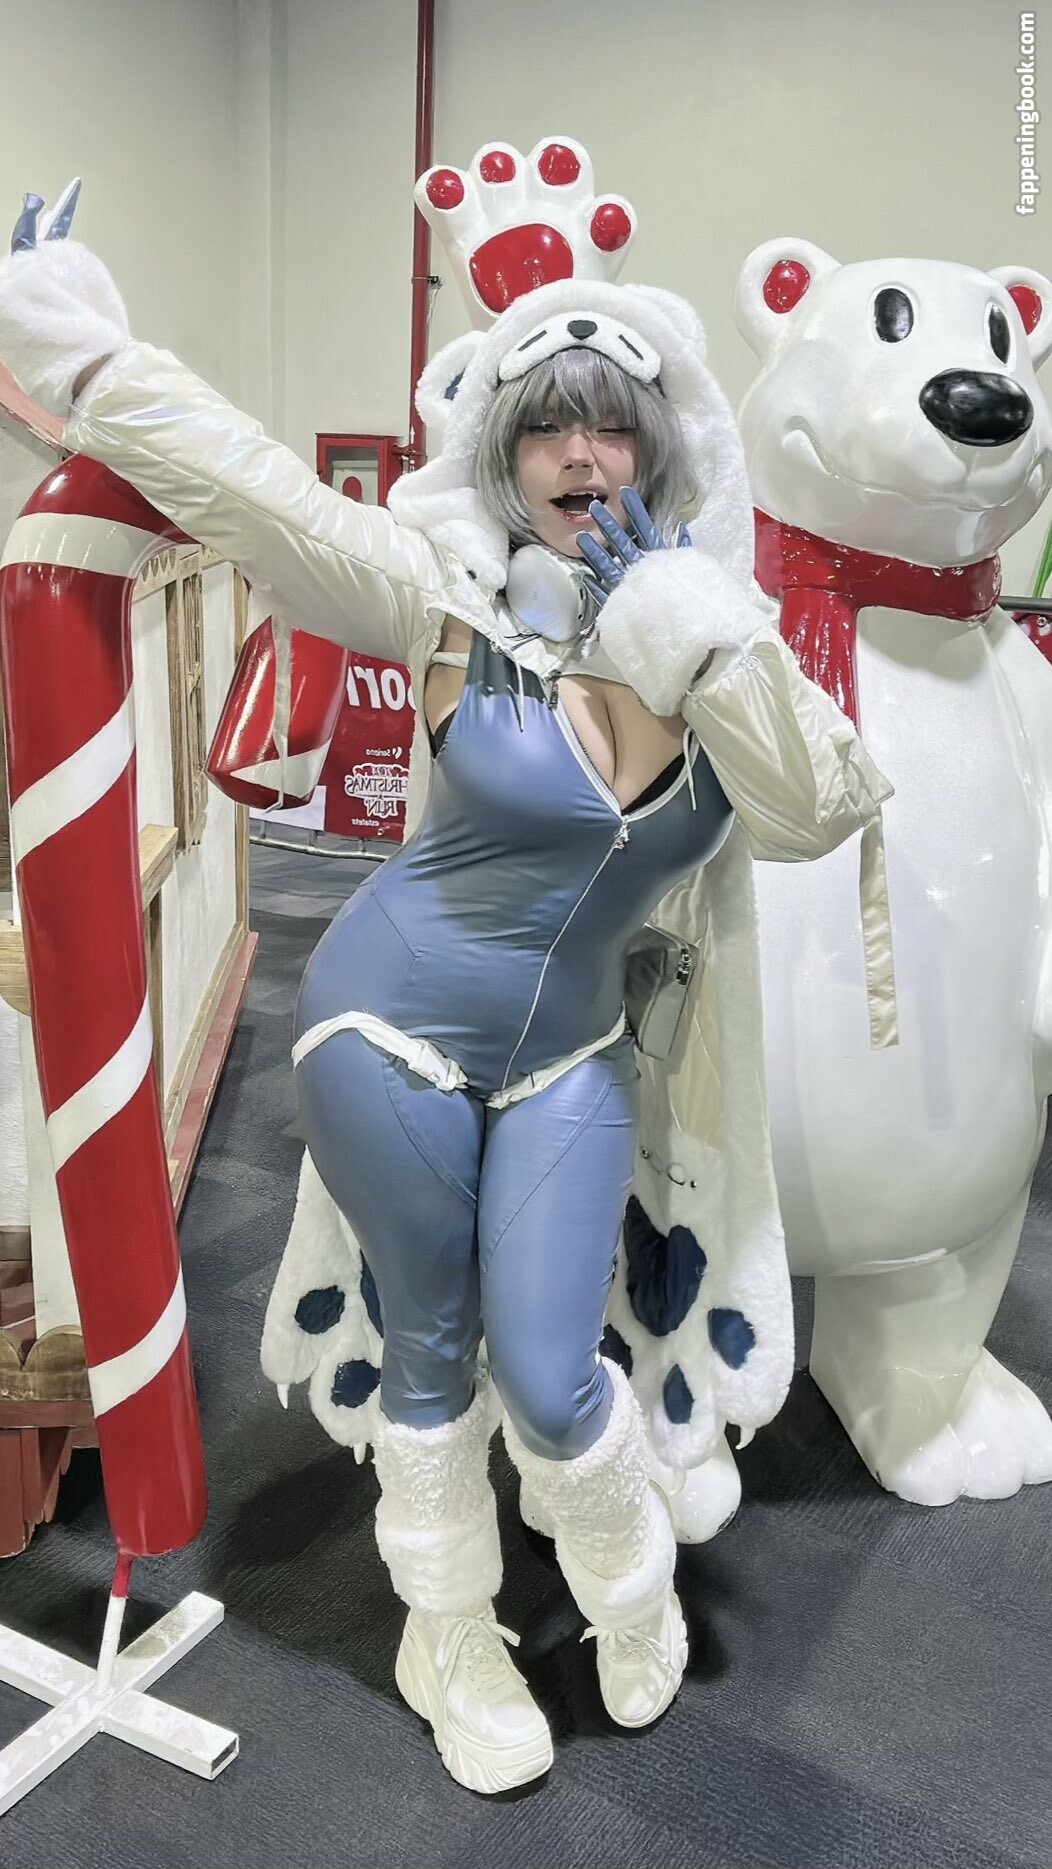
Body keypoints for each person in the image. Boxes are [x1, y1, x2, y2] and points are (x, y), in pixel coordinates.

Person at [0, 189, 892, 1794]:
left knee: (550, 1366)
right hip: (385, 1026)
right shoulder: (451, 600)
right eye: (544, 424)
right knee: (437, 1337)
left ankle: (625, 1574)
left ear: (658, 451)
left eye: (608, 427)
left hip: (572, 1052)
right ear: (505, 453)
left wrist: (692, 630)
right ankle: (451, 1629)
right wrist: (83, 348)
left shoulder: (720, 638)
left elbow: (823, 803)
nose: (578, 455)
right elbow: (255, 488)